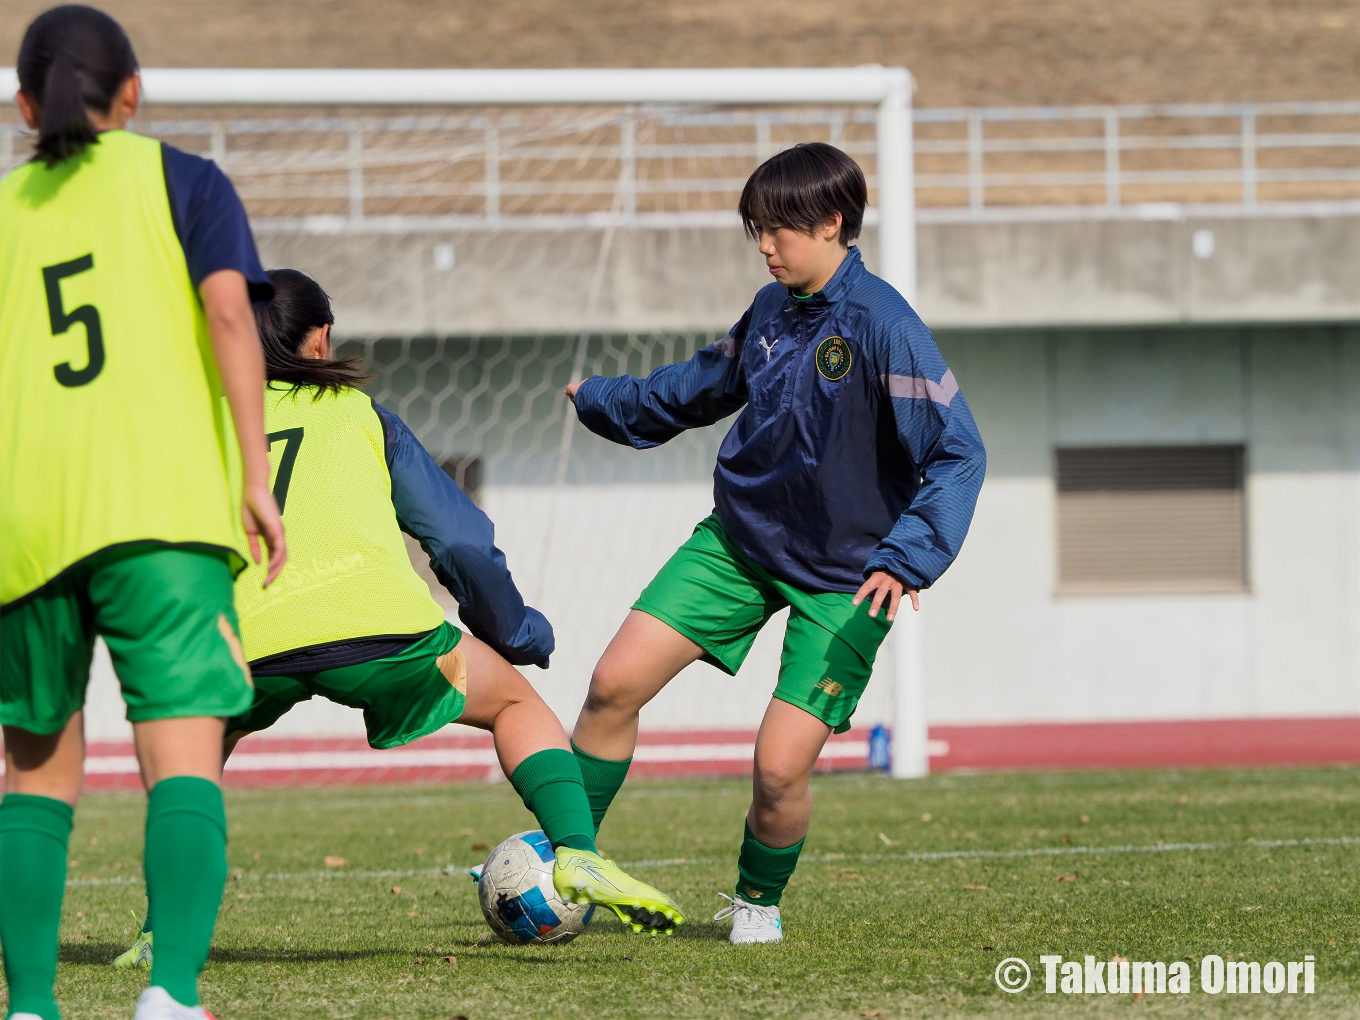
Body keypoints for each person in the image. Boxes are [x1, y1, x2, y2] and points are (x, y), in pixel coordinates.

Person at [115, 268, 684, 971]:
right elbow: (459, 542)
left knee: (189, 769)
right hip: (379, 631)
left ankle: (158, 933)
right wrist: (513, 631)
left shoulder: (204, 426)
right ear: (320, 336)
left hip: (246, 644)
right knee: (513, 702)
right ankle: (577, 853)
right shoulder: (360, 414)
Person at [563, 142, 986, 943]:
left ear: (831, 222)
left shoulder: (885, 327)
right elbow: (694, 388)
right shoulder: (769, 310)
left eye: (778, 230)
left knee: (778, 767)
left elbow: (959, 450)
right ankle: (565, 863)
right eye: (756, 230)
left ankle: (757, 903)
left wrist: (908, 556)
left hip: (848, 580)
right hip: (740, 544)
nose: (765, 246)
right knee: (613, 682)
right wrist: (602, 400)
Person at [0, 6, 287, 1020]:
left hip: (27, 529)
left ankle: (30, 1005)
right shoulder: (185, 180)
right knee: (180, 754)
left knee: (34, 776)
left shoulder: (4, 212)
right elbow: (225, 314)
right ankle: (168, 995)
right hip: (162, 514)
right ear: (134, 91)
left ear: (26, 106)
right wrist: (255, 474)